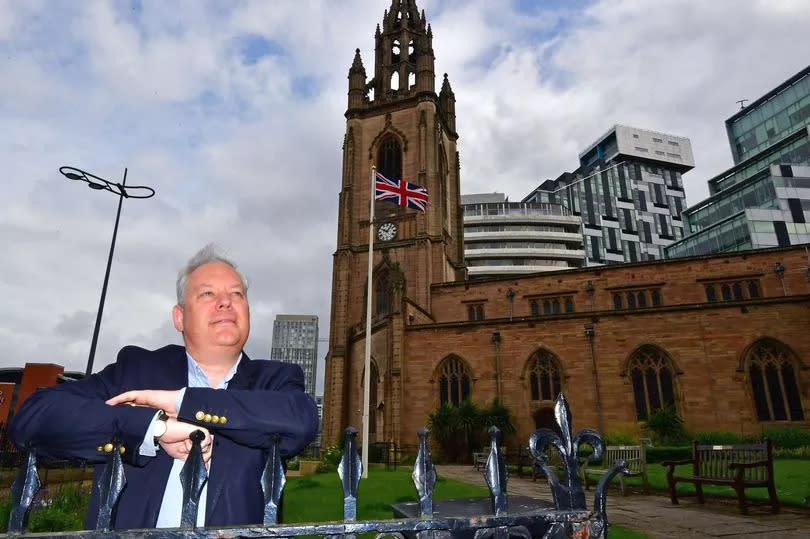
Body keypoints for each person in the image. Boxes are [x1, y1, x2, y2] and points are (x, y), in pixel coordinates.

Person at [9, 245, 318, 529]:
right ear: (179, 317)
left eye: (237, 294)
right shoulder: (136, 370)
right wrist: (153, 428)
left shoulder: (275, 380)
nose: (226, 302)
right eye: (208, 294)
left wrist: (183, 402)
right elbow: (32, 418)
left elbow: (300, 420)